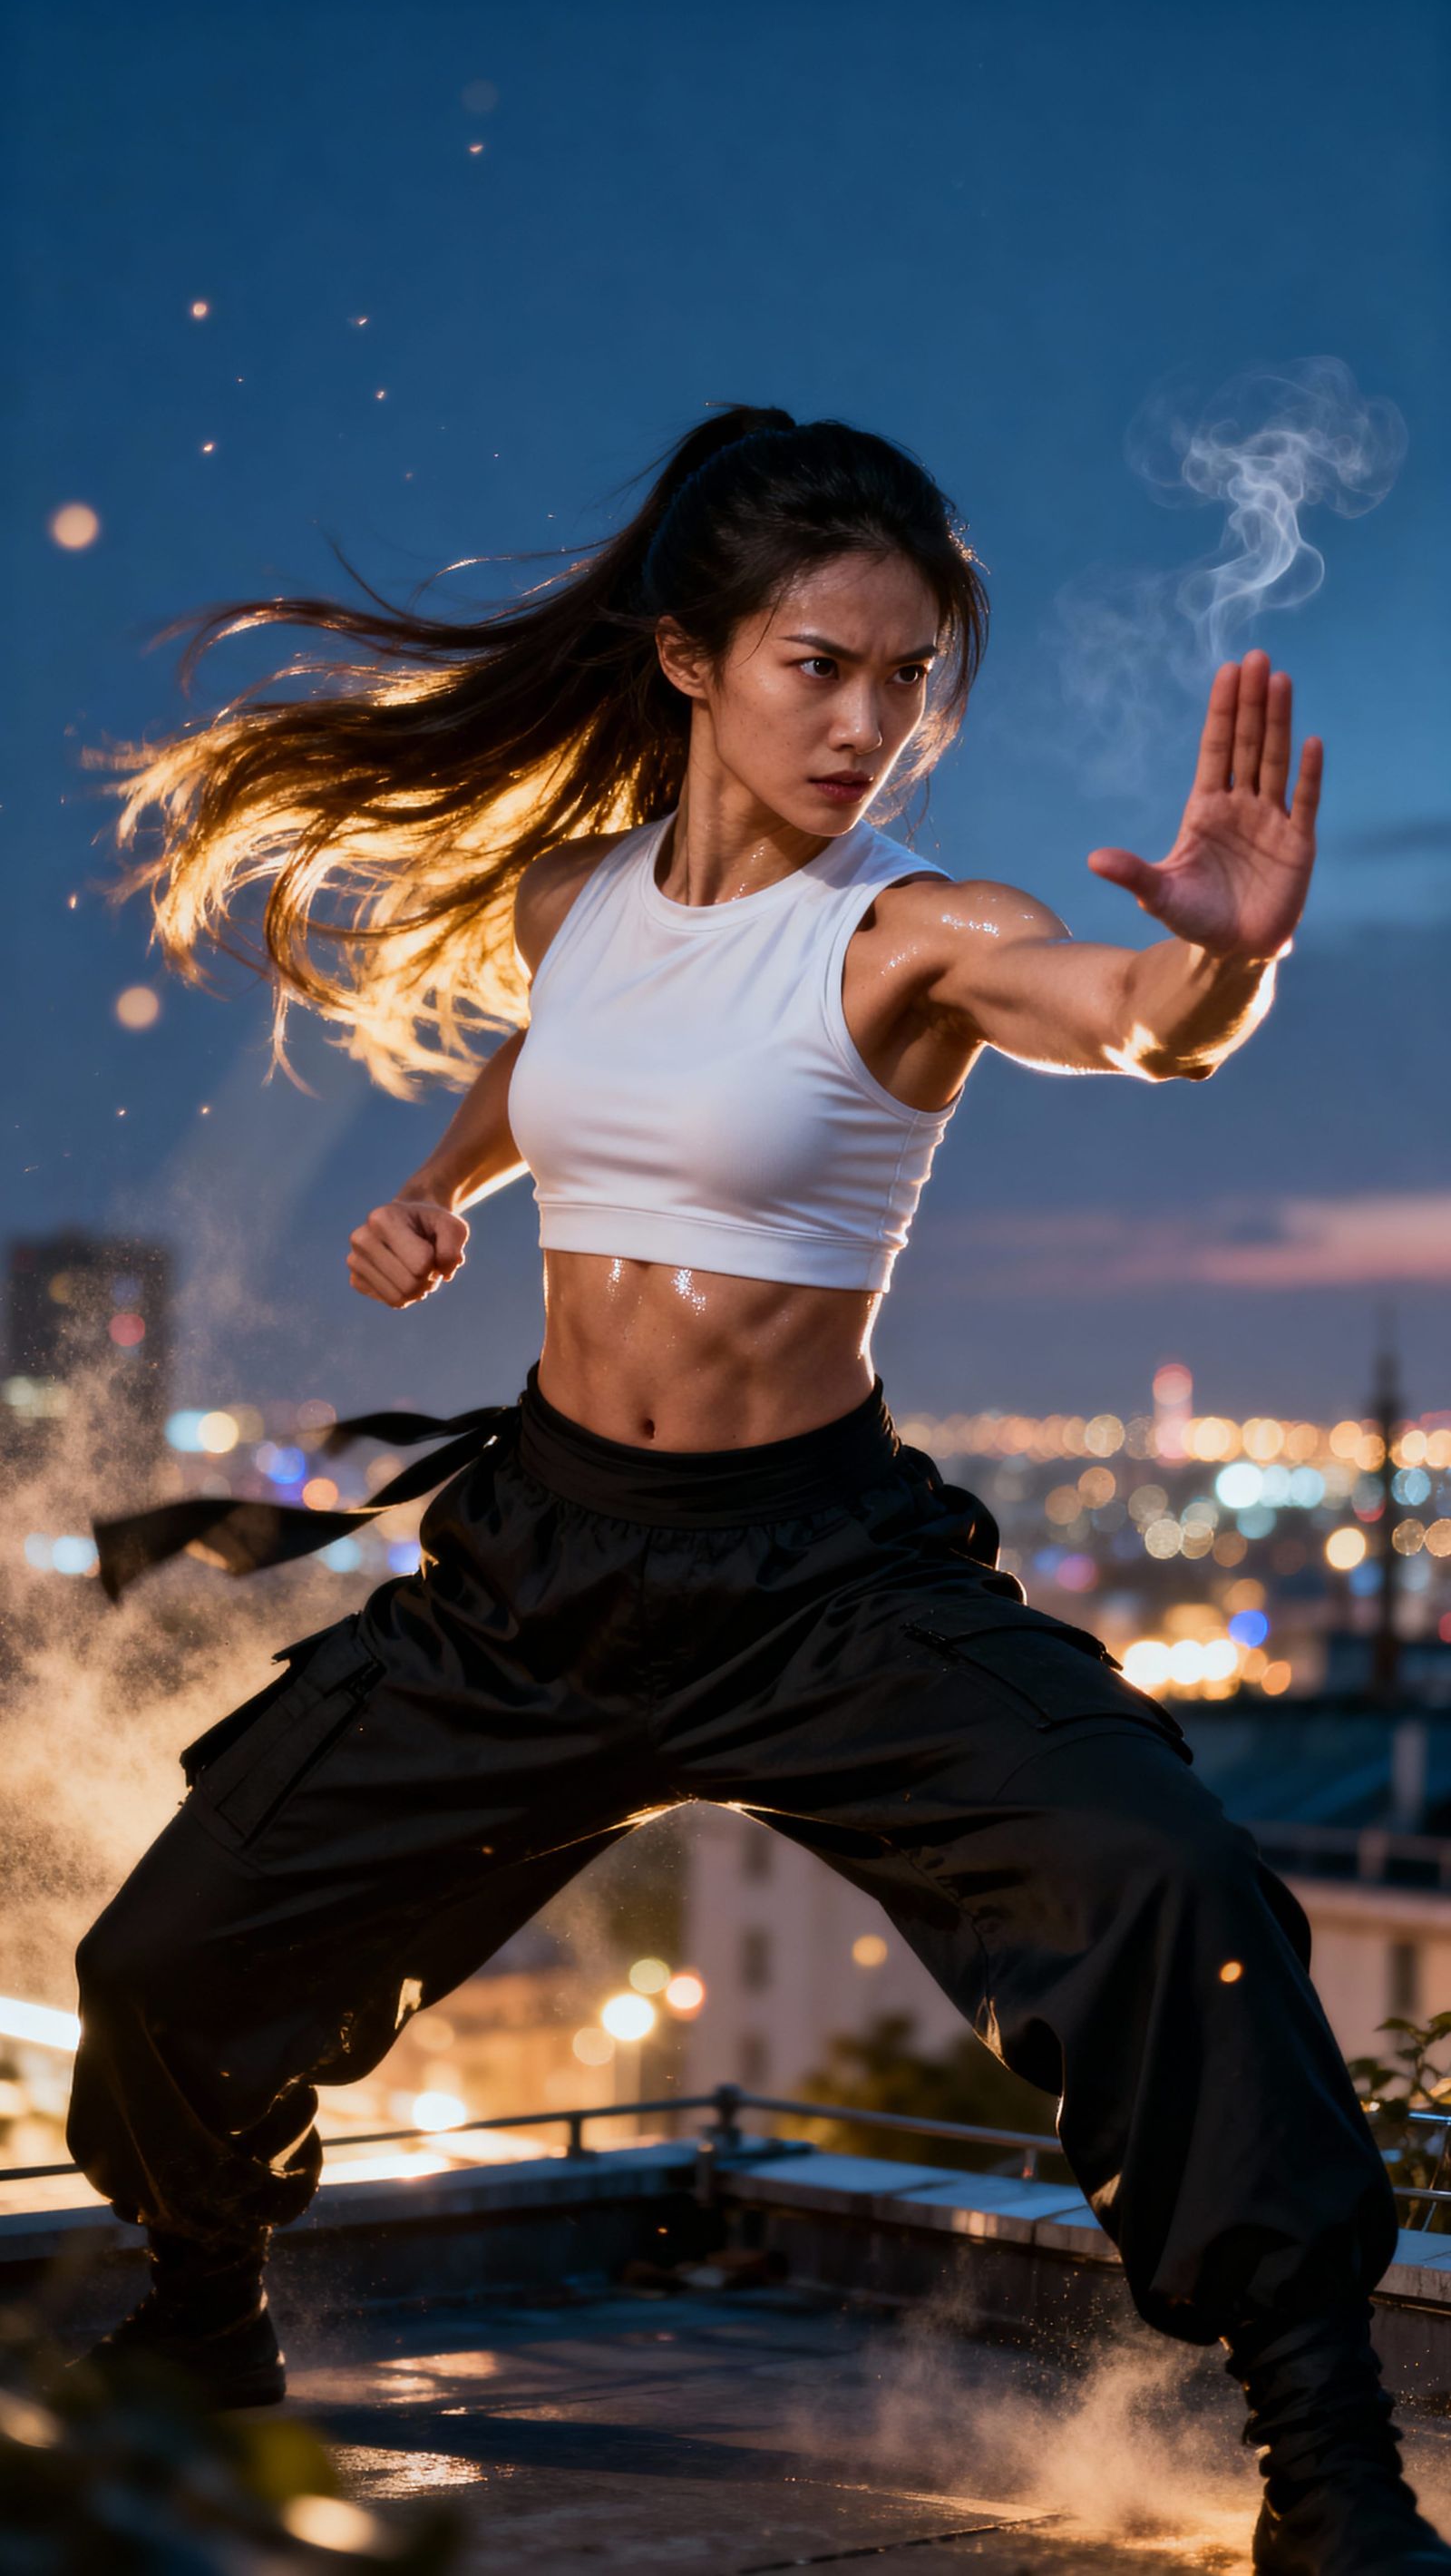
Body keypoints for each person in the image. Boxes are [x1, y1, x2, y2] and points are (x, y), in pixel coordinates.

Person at [64, 405, 1445, 2573]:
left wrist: (1224, 961)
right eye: (824, 665)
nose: (871, 724)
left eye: (909, 681)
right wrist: (440, 1188)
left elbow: (1128, 1015)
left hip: (822, 1585)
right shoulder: (574, 897)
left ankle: (1330, 2467)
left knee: (1166, 1895)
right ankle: (203, 2315)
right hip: (539, 1570)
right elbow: (570, 1057)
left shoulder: (912, 933)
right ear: (692, 658)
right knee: (164, 1964)